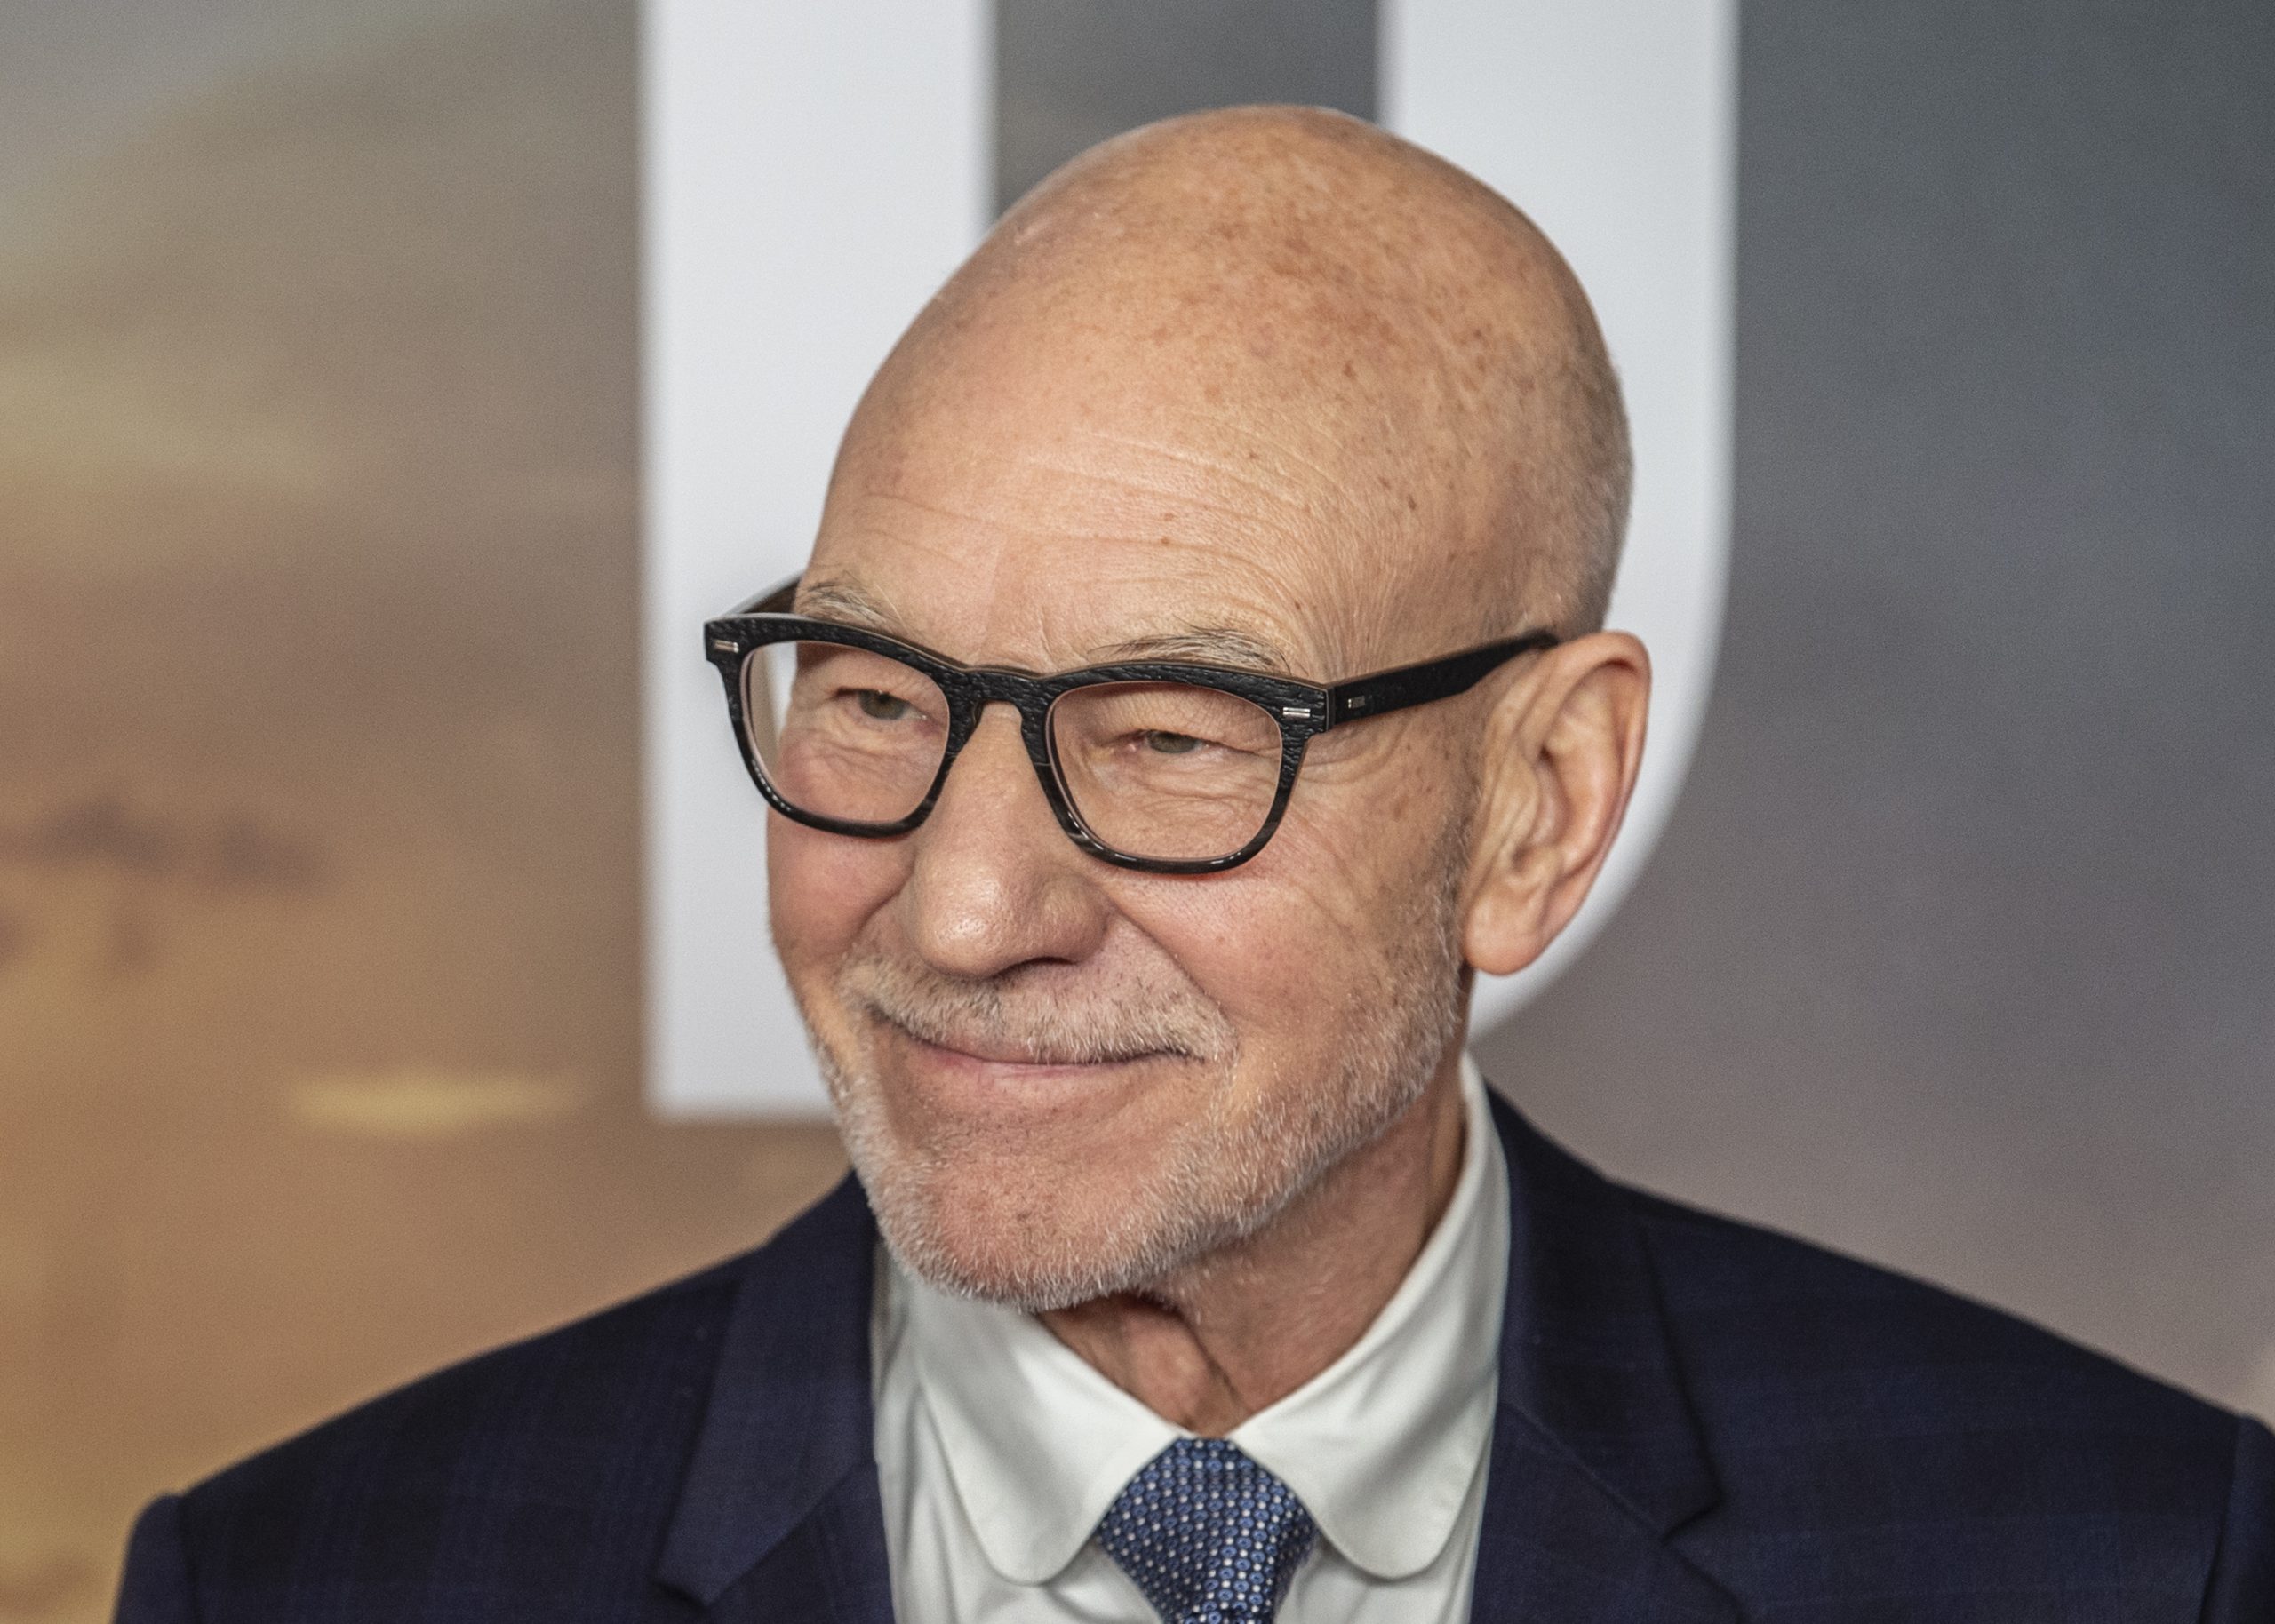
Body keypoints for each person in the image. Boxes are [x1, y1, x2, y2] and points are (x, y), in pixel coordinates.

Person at [115, 106, 2271, 1624]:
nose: (961, 910)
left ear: (1535, 803)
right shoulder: (308, 1581)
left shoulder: (2115, 1559)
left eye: (1164, 737)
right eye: (870, 694)